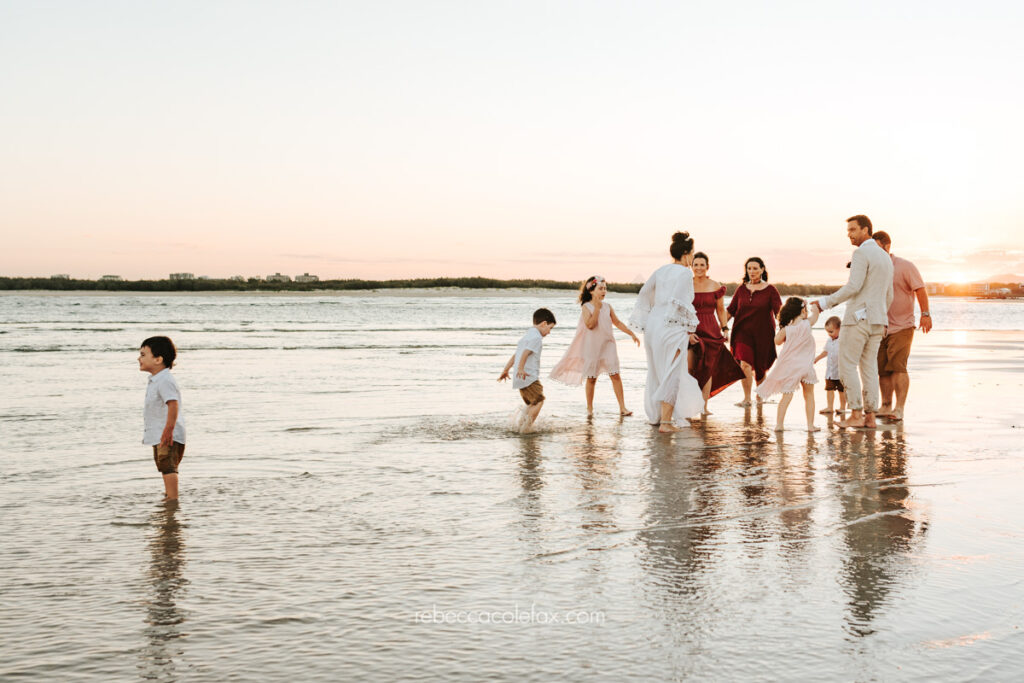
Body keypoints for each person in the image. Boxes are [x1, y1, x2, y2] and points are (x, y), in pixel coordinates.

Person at [811, 215, 894, 429]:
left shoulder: (861, 253)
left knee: (846, 365)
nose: (849, 234)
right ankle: (870, 417)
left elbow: (853, 287)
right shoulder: (886, 257)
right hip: (878, 320)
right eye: (848, 230)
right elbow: (889, 295)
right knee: (869, 369)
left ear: (866, 230)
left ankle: (856, 413)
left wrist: (823, 303)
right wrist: (883, 318)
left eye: (853, 230)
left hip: (858, 320)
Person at [629, 231, 704, 432]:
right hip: (670, 327)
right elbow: (681, 301)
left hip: (654, 324)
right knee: (672, 371)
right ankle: (666, 422)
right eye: (693, 253)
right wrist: (689, 328)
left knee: (656, 369)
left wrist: (651, 314)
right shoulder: (685, 273)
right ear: (687, 253)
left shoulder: (661, 270)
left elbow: (644, 293)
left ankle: (656, 416)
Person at [550, 276, 640, 416]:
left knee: (615, 375)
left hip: (608, 345)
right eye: (600, 288)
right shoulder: (586, 307)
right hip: (592, 347)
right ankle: (590, 409)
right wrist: (597, 309)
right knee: (592, 378)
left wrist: (631, 334)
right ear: (591, 291)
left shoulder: (608, 306)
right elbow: (590, 325)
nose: (604, 291)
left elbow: (617, 322)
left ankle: (622, 408)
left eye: (605, 288)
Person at [872, 231, 932, 422]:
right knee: (882, 369)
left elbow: (920, 289)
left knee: (898, 366)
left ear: (887, 246)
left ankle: (899, 408)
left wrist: (925, 314)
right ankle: (886, 405)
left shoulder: (905, 266)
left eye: (876, 247)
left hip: (902, 326)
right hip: (879, 326)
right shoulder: (873, 267)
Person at [690, 252, 744, 414]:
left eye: (702, 265)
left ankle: (704, 407)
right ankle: (690, 404)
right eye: (696, 265)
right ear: (691, 266)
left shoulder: (715, 285)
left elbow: (720, 310)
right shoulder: (685, 284)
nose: (699, 268)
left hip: (710, 329)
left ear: (707, 267)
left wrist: (725, 328)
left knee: (708, 369)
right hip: (691, 329)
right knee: (691, 368)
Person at [756, 297, 820, 431]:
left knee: (787, 396)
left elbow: (777, 341)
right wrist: (815, 306)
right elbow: (816, 314)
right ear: (803, 311)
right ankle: (810, 426)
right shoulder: (808, 323)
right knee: (809, 396)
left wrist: (784, 329)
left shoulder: (787, 330)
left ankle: (779, 425)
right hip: (806, 367)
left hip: (792, 368)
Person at [726, 257, 783, 406]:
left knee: (760, 368)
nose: (752, 271)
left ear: (762, 269)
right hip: (742, 333)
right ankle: (746, 398)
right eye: (749, 268)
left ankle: (760, 398)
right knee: (744, 364)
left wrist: (787, 329)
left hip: (764, 334)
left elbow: (779, 312)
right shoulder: (741, 289)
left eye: (755, 268)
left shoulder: (770, 290)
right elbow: (730, 310)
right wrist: (719, 326)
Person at [139, 336, 187, 501]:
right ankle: (169, 495)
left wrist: (168, 430)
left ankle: (172, 499)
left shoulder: (164, 380)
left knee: (168, 466)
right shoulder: (156, 380)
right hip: (160, 433)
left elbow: (173, 405)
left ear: (158, 359)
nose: (139, 358)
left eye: (143, 354)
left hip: (167, 433)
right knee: (164, 465)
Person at [499, 308, 557, 432]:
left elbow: (516, 354)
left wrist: (506, 370)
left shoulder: (527, 336)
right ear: (544, 324)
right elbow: (525, 353)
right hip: (528, 376)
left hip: (520, 377)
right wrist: (520, 368)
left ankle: (520, 426)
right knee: (539, 401)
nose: (549, 332)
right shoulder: (536, 338)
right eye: (550, 328)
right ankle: (526, 429)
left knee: (531, 404)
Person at [814, 316, 847, 414]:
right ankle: (830, 407)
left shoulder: (843, 340)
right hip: (830, 371)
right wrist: (817, 358)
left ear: (839, 329)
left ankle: (842, 407)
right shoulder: (829, 340)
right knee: (829, 389)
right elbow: (825, 352)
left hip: (841, 371)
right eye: (828, 332)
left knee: (841, 390)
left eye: (831, 331)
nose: (829, 334)